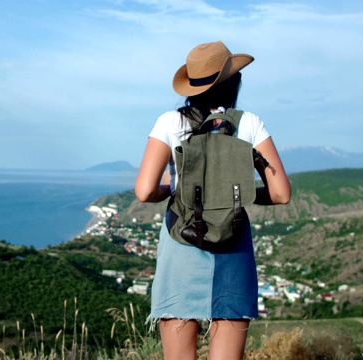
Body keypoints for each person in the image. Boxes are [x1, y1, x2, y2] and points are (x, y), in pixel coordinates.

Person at [135, 41, 291, 360]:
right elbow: (281, 194)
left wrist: (174, 189)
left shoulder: (170, 122)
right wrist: (241, 195)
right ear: (232, 82)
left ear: (192, 85)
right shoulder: (248, 123)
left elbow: (144, 191)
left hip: (182, 239)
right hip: (233, 241)